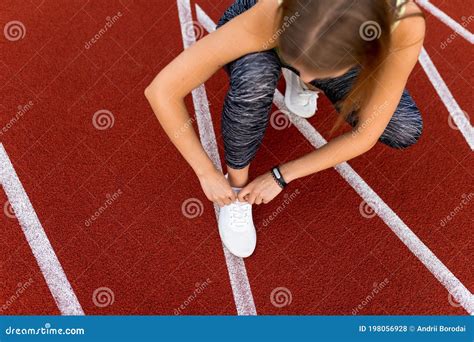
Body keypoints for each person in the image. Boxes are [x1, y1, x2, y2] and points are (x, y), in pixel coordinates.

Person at [144, 0, 425, 258]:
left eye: (317, 71)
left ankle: (301, 81)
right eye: (302, 66)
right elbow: (161, 91)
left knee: (402, 127)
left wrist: (281, 176)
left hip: (315, 40)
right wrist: (205, 172)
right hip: (268, 27)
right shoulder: (272, 13)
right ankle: (237, 188)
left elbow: (366, 135)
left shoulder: (405, 23)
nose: (309, 75)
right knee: (254, 83)